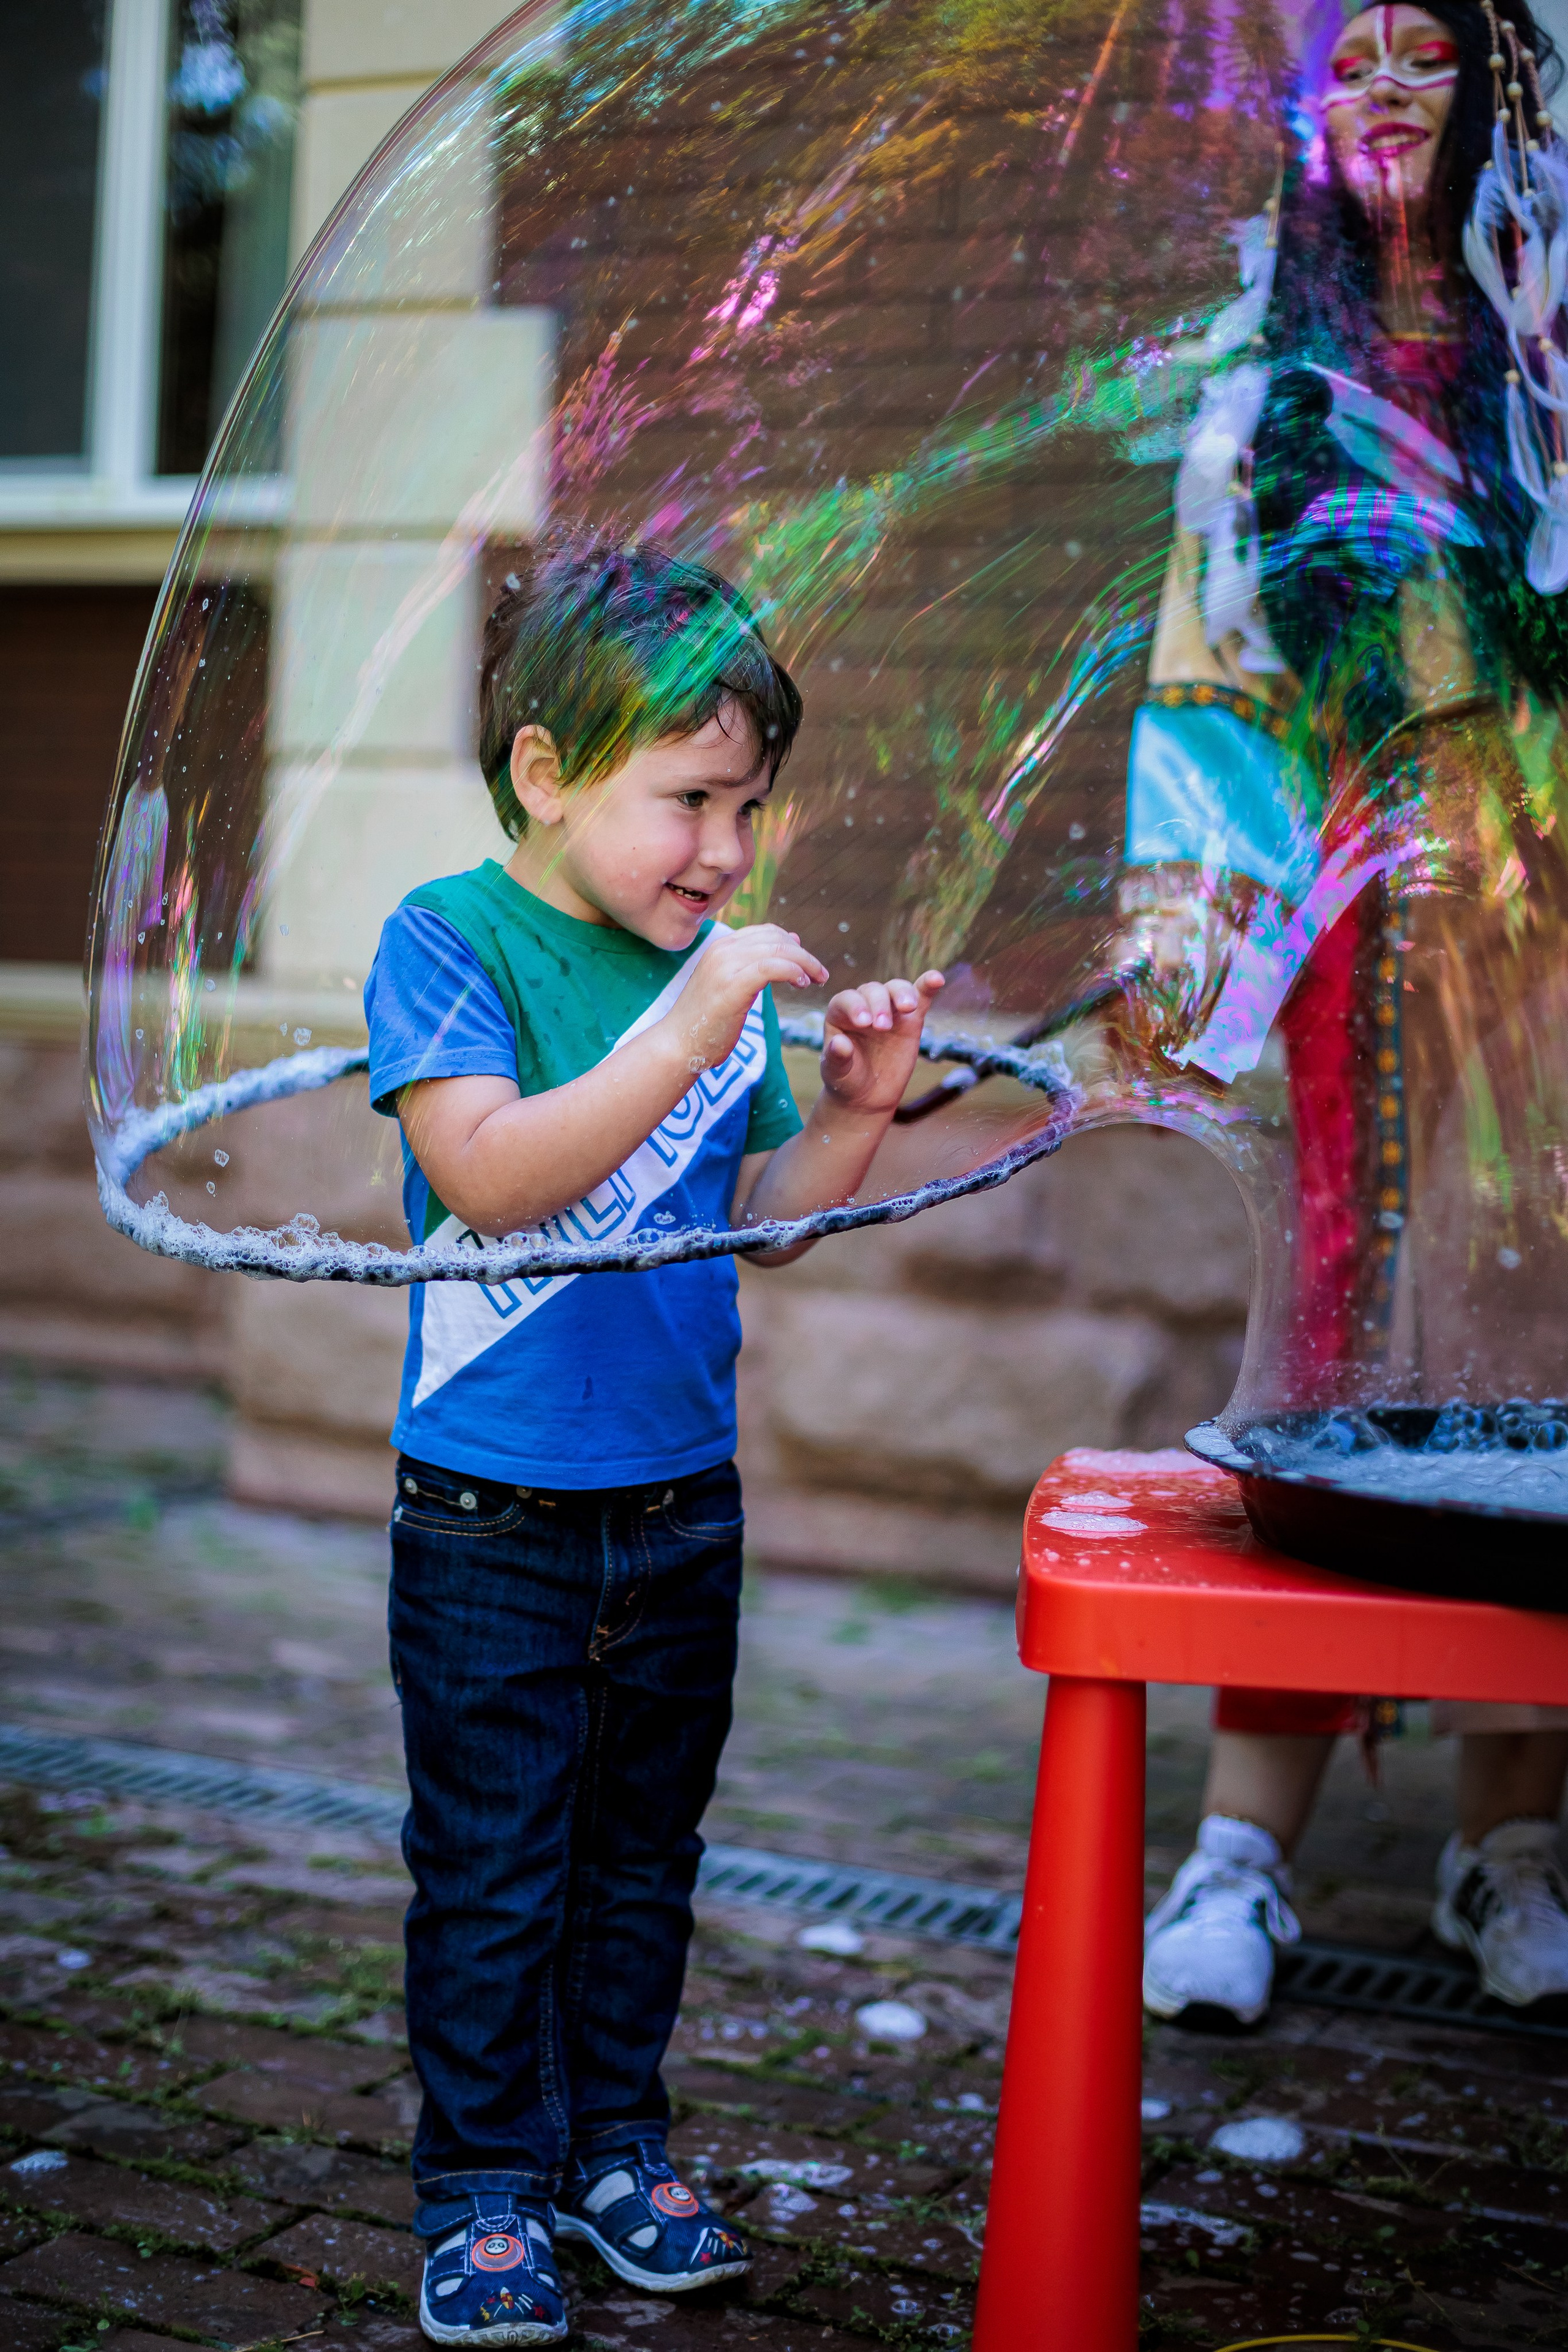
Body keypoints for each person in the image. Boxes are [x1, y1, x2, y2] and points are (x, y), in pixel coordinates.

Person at [364, 530, 942, 2346]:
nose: (725, 851)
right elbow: (492, 1171)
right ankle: (482, 2183)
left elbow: (752, 1212)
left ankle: (614, 2146)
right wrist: (696, 1016)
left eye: (749, 810)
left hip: (680, 1503)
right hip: (492, 1515)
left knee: (640, 1856)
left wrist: (848, 1118)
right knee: (494, 1860)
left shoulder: (699, 968)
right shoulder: (449, 940)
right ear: (545, 773)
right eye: (689, 800)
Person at [1131, 1, 1568, 2028]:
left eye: (1432, 52)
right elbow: (1210, 665)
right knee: (1326, 1337)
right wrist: (1183, 916)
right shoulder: (1263, 360)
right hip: (1342, 927)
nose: (1388, 89)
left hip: (1549, 915)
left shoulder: (1548, 337)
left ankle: (1512, 1846)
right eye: (1352, 55)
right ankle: (1242, 1850)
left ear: (1501, 94)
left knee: (1537, 1340)